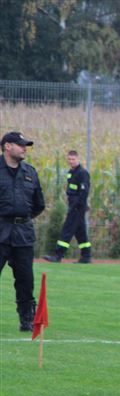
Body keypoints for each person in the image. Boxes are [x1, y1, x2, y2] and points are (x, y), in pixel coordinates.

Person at [0, 131, 46, 332]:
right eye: (20, 145)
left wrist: (21, 218)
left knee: (26, 280)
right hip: (1, 230)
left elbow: (38, 204)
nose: (24, 148)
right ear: (7, 146)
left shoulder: (30, 172)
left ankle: (27, 319)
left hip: (23, 234)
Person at [44, 150, 91, 263]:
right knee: (80, 231)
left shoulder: (82, 173)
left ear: (78, 159)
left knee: (67, 229)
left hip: (77, 206)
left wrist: (79, 205)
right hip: (73, 204)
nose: (71, 161)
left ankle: (58, 255)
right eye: (69, 159)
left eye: (73, 159)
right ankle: (86, 256)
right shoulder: (71, 172)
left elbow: (84, 191)